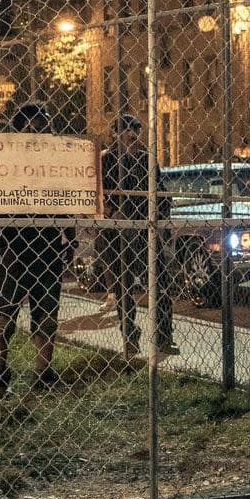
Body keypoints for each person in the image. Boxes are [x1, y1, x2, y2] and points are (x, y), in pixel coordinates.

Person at [0, 102, 76, 396]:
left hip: (48, 246)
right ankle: (0, 371)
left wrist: (70, 237)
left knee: (47, 313)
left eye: (46, 123)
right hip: (13, 247)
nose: (45, 129)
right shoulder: (4, 158)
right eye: (39, 123)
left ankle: (43, 371)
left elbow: (66, 200)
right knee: (5, 312)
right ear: (24, 127)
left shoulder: (55, 160)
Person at [99, 114, 178, 358]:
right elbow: (99, 195)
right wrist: (110, 210)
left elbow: (160, 191)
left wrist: (162, 211)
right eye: (125, 130)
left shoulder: (147, 160)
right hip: (115, 233)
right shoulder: (106, 160)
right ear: (115, 133)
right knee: (123, 287)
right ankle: (129, 335)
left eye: (135, 130)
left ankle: (164, 336)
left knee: (160, 282)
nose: (131, 135)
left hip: (145, 231)